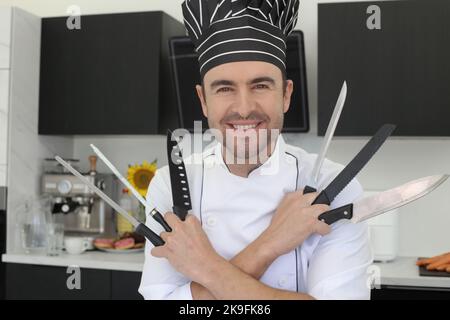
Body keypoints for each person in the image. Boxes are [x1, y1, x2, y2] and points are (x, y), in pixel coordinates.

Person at [139, 0, 372, 300]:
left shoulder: (334, 187)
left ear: (286, 95)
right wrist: (272, 243)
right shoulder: (168, 184)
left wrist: (204, 269)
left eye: (260, 86)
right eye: (224, 88)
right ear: (203, 101)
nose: (244, 108)